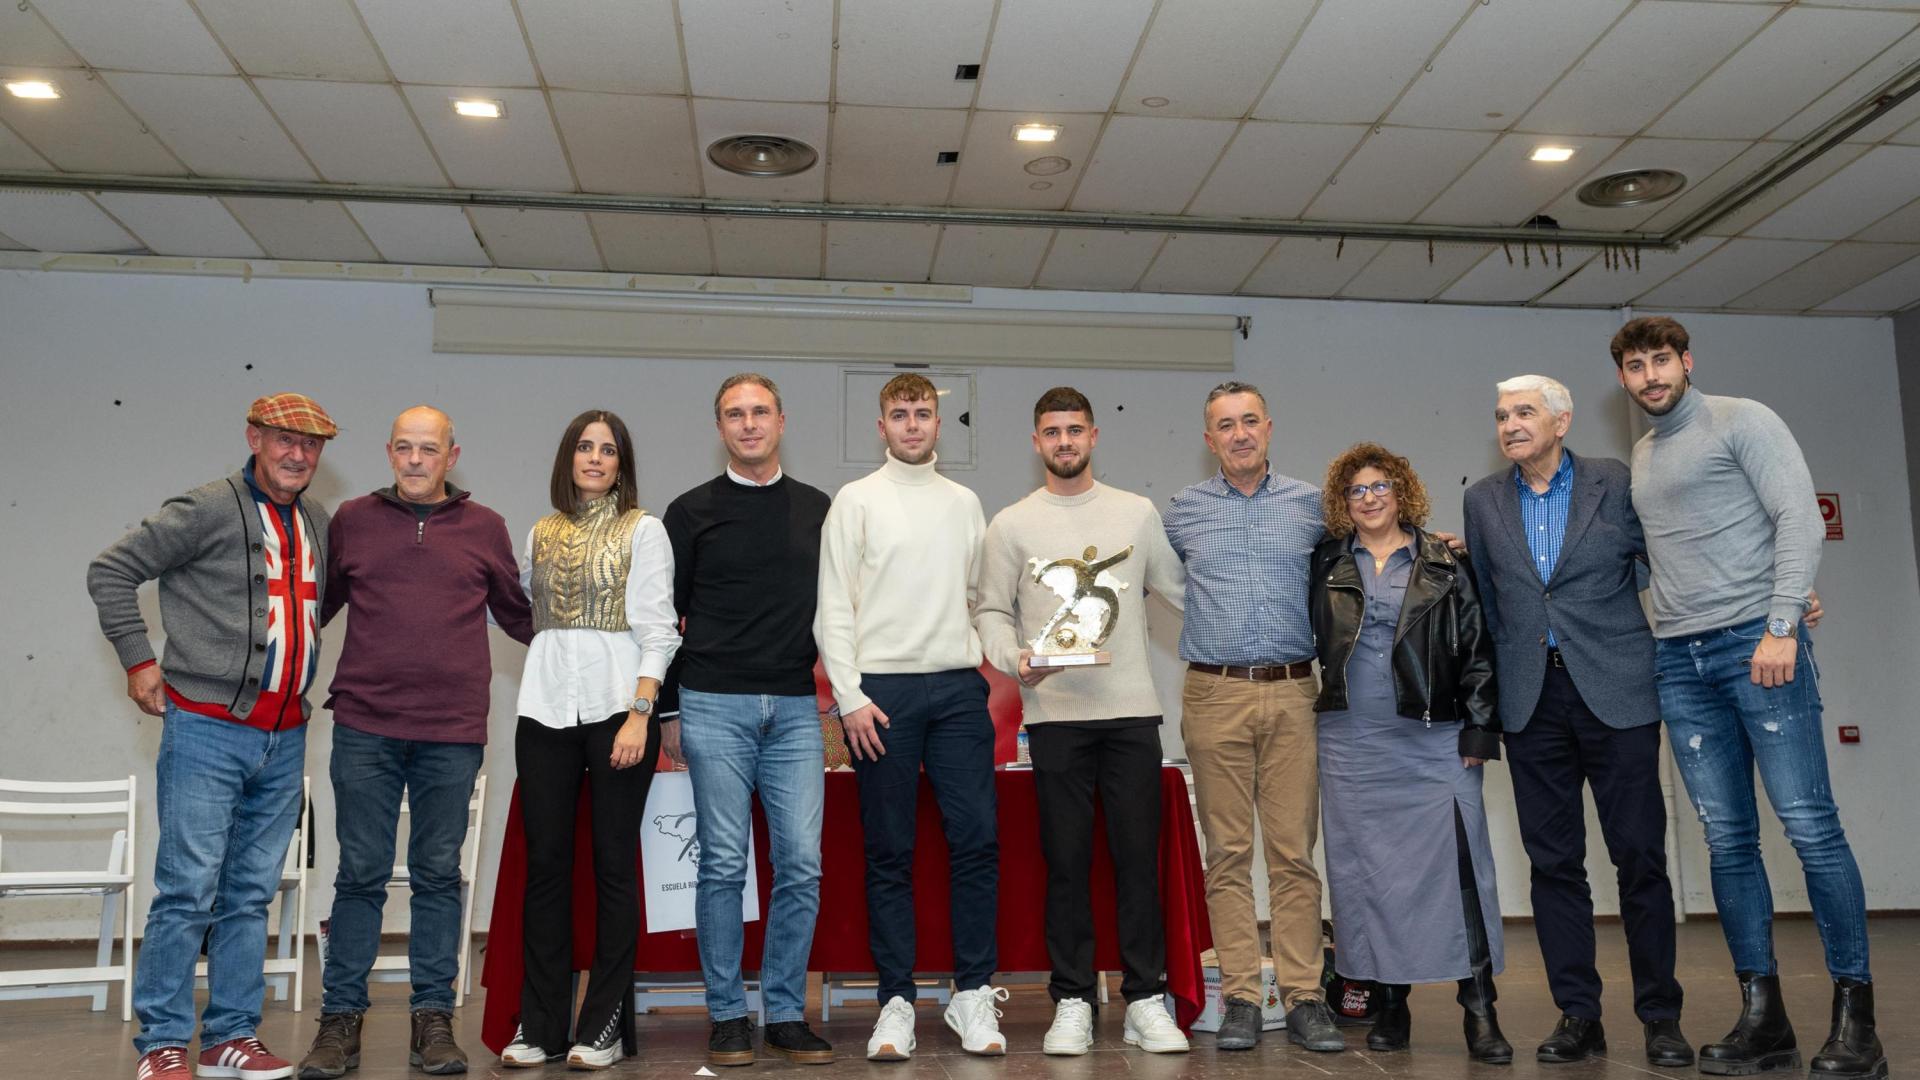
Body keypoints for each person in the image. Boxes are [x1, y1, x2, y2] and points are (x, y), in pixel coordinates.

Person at [1614, 316, 1883, 1080]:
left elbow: (1798, 516)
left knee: (1810, 827)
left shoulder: (1743, 419)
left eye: (1660, 360)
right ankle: (1764, 1020)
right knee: (1728, 841)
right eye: (1635, 367)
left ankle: (1856, 1018)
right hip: (1679, 659)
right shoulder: (1643, 452)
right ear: (1625, 380)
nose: (1650, 376)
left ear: (1686, 361)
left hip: (1757, 647)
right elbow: (1654, 554)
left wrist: (1782, 620)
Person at [89, 393, 337, 1080]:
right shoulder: (203, 508)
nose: (298, 455)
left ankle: (232, 1034)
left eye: (312, 445)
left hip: (285, 737)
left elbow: (309, 605)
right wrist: (140, 660)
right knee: (187, 889)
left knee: (252, 893)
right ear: (254, 437)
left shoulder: (316, 518)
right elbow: (110, 571)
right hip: (205, 730)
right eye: (285, 440)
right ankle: (163, 1042)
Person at [1458, 376, 1692, 1067]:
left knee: (1640, 858)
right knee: (1554, 865)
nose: (1509, 424)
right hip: (1532, 702)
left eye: (1524, 412)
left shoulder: (1614, 482)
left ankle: (1660, 1016)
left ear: (1561, 421)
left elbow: (1663, 564)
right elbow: (1493, 606)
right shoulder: (1482, 501)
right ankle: (1578, 1015)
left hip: (1617, 694)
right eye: (1501, 414)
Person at [297, 406, 534, 1079]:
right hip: (365, 724)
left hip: (452, 732)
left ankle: (434, 1019)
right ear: (389, 451)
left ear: (451, 454)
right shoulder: (353, 521)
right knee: (360, 875)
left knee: (437, 877)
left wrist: (606, 660)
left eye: (428, 449)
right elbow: (315, 609)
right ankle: (339, 1020)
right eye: (404, 448)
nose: (415, 460)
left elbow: (521, 618)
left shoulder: (485, 527)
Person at [974, 387, 1190, 1057]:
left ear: (1094, 436)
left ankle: (1147, 1000)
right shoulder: (1011, 523)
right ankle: (1071, 1000)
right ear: (1036, 442)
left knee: (1136, 864)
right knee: (1065, 865)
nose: (1064, 441)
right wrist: (1017, 660)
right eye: (1051, 432)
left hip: (1131, 713)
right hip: (1055, 718)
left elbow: (1184, 593)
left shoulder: (1137, 513)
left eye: (1074, 430)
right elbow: (989, 611)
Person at [815, 373, 1006, 1060]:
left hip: (957, 690)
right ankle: (895, 999)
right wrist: (850, 697)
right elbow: (833, 605)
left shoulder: (964, 502)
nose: (913, 424)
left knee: (977, 840)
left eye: (923, 413)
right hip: (881, 699)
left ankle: (972, 996)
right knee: (889, 851)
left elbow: (985, 598)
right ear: (881, 426)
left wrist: (1016, 654)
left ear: (937, 422)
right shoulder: (856, 500)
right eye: (900, 414)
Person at [1307, 442, 1511, 1064]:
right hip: (1351, 742)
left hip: (1433, 740)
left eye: (1380, 487)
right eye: (1356, 491)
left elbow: (1477, 648)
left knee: (1459, 869)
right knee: (1365, 877)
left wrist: (1480, 730)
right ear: (1343, 503)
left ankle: (1480, 1010)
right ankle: (1389, 1004)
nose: (1369, 499)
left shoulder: (1443, 561)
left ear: (1403, 493)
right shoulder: (1324, 561)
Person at [658, 374, 835, 1066]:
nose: (749, 423)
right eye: (735, 414)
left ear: (782, 421)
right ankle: (728, 1014)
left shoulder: (820, 509)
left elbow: (842, 613)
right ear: (720, 427)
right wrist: (668, 705)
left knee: (801, 863)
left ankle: (786, 1012)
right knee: (724, 865)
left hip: (795, 707)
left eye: (760, 412)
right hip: (712, 704)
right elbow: (662, 618)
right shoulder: (689, 511)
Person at [1162, 381, 1341, 1053]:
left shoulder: (1311, 507)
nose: (1239, 434)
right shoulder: (1182, 511)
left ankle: (1303, 996)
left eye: (1249, 422)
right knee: (1228, 853)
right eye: (1224, 426)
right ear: (1209, 441)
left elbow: (1369, 551)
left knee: (1294, 852)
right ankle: (1239, 994)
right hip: (1214, 695)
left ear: (1269, 428)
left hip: (1295, 691)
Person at [499, 411, 680, 1070]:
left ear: (622, 464)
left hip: (616, 713)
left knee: (611, 867)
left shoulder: (645, 530)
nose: (596, 458)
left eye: (608, 450)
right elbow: (532, 617)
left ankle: (601, 1026)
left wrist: (641, 713)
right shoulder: (540, 531)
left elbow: (660, 632)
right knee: (545, 870)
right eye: (585, 446)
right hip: (543, 712)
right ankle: (540, 1027)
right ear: (568, 457)